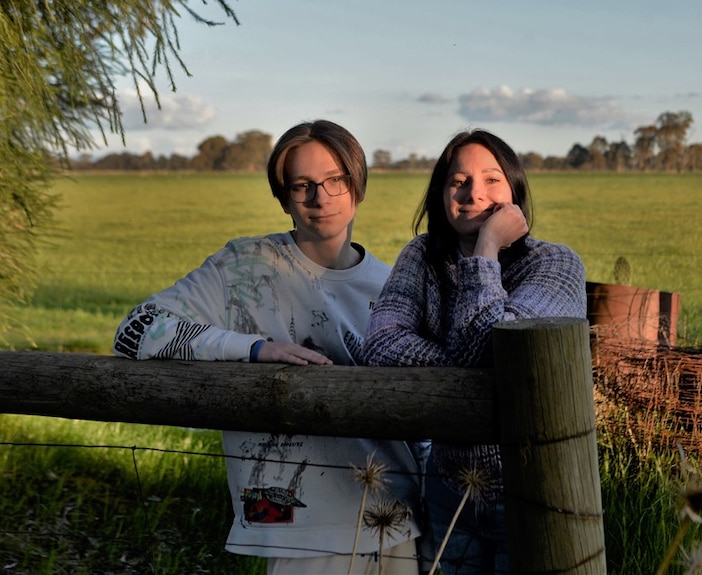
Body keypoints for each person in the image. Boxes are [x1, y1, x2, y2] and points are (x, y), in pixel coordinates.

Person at [113, 120, 422, 574]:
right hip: (292, 524)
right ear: (283, 198)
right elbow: (134, 332)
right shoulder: (242, 266)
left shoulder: (394, 285)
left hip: (394, 518)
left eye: (335, 180)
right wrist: (253, 349)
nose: (321, 198)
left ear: (357, 185)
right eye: (302, 185)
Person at [361, 129, 587, 574]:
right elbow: (381, 344)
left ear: (515, 191)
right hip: (449, 490)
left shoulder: (555, 264)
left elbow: (495, 349)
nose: (472, 193)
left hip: (530, 490)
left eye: (491, 180)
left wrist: (486, 250)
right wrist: (470, 370)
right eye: (458, 181)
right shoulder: (422, 256)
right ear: (441, 193)